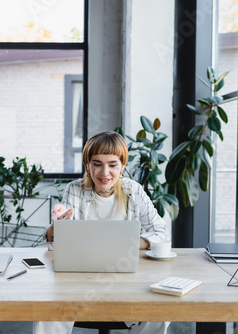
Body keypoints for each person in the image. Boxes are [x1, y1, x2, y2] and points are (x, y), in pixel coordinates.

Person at [34, 130, 170, 334]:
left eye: (113, 165)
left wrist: (134, 242)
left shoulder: (134, 191)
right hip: (78, 281)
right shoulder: (74, 190)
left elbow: (162, 233)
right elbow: (53, 246)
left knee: (158, 313)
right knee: (47, 313)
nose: (104, 173)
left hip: (126, 281)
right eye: (97, 164)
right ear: (87, 166)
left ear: (123, 166)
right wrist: (57, 228)